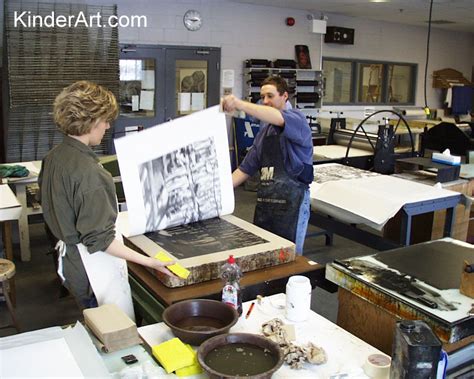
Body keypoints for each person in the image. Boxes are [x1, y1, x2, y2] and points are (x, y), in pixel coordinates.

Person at [38, 81, 175, 318]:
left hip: (69, 259)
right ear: (91, 122)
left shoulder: (54, 157)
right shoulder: (90, 172)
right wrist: (150, 262)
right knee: (109, 327)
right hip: (91, 267)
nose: (108, 125)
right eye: (105, 120)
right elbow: (100, 241)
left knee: (92, 320)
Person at [222, 76, 313, 255]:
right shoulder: (264, 133)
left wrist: (239, 104)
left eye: (270, 96)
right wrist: (219, 191)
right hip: (266, 204)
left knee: (288, 258)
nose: (265, 101)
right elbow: (244, 169)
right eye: (262, 97)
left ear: (285, 96)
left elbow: (278, 117)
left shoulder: (297, 120)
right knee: (264, 255)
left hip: (291, 205)